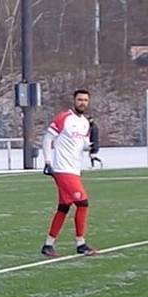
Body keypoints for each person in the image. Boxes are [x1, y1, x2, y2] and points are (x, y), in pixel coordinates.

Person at [40, 89, 99, 258]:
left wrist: (92, 148)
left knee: (64, 207)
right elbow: (47, 139)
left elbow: (83, 145)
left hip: (74, 169)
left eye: (85, 100)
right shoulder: (63, 118)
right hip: (62, 169)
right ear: (74, 100)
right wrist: (47, 162)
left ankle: (48, 245)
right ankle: (81, 244)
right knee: (83, 203)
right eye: (80, 99)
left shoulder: (85, 123)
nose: (82, 102)